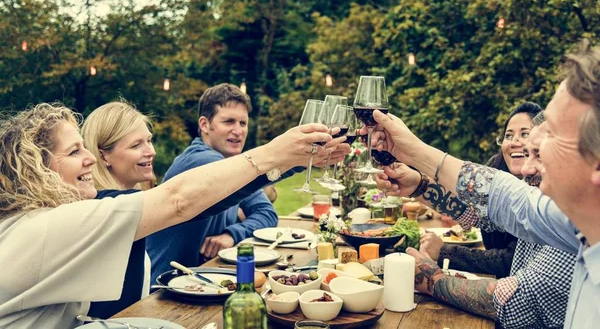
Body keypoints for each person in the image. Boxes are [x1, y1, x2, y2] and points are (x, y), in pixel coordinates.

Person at [0, 102, 345, 328]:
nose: (88, 158)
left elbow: (201, 202)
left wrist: (287, 161)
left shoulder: (42, 218)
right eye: (75, 152)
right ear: (36, 169)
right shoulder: (52, 226)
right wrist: (274, 153)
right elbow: (180, 201)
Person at [367, 39, 600, 328]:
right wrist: (418, 175)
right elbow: (498, 203)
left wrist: (431, 276)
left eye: (549, 135)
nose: (527, 162)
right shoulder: (573, 223)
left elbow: (516, 301)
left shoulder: (573, 231)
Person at [415, 110, 576, 328]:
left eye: (540, 155)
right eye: (509, 135)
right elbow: (486, 215)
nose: (527, 168)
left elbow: (512, 300)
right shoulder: (543, 201)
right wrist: (420, 187)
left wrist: (431, 278)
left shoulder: (575, 224)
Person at [146, 84, 279, 283]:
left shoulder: (230, 165)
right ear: (204, 124)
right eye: (228, 122)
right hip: (162, 288)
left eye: (243, 123)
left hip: (201, 281)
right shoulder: (199, 161)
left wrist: (231, 234)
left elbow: (267, 214)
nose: (238, 131)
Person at [422, 103, 542, 279]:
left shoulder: (545, 193)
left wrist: (445, 252)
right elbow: (472, 213)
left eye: (525, 134)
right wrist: (418, 185)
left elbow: (510, 261)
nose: (514, 142)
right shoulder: (497, 167)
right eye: (508, 135)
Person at [81, 100, 157, 317]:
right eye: (136, 145)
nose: (150, 151)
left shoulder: (131, 198)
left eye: (149, 141)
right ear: (104, 156)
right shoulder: (105, 209)